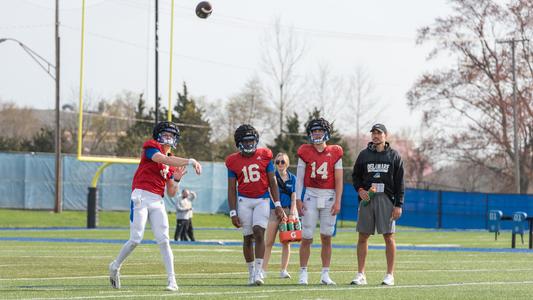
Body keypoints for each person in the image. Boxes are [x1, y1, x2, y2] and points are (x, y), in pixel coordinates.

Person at [108, 121, 202, 292]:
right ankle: (115, 266)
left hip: (157, 200)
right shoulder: (152, 146)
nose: (168, 137)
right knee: (136, 239)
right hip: (141, 196)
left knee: (164, 240)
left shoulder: (172, 161)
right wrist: (190, 160)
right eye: (165, 134)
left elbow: (172, 192)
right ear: (158, 135)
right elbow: (163, 158)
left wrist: (178, 179)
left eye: (171, 135)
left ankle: (172, 280)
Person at [225, 124, 284, 286]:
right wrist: (232, 212)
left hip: (262, 200)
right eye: (246, 141)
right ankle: (251, 272)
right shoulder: (232, 161)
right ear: (239, 143)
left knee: (259, 232)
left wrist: (277, 204)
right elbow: (231, 188)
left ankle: (259, 272)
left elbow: (272, 181)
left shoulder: (265, 155)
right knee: (247, 237)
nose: (250, 144)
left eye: (252, 141)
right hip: (244, 200)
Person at [351, 123, 405, 286]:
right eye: (373, 133)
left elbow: (400, 182)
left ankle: (390, 275)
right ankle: (361, 274)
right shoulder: (363, 155)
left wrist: (398, 204)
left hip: (386, 199)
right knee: (363, 236)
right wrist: (360, 189)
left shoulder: (394, 156)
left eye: (379, 133)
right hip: (367, 199)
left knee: (388, 236)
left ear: (385, 136)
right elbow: (355, 176)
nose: (375, 136)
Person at [295, 118, 343, 285]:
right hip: (310, 196)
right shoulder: (304, 151)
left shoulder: (335, 152)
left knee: (326, 237)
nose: (316, 133)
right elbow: (299, 178)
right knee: (307, 237)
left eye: (320, 131)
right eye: (314, 131)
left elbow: (339, 180)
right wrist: (298, 199)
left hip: (329, 196)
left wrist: (338, 201)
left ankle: (325, 274)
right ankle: (303, 273)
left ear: (326, 133)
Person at [262, 152, 297, 279]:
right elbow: (271, 193)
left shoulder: (293, 178)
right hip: (274, 211)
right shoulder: (272, 176)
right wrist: (278, 208)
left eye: (282, 161)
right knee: (269, 242)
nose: (280, 164)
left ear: (287, 163)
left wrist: (292, 213)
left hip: (288, 212)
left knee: (286, 242)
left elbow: (294, 196)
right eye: (277, 162)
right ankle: (263, 270)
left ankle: (283, 270)